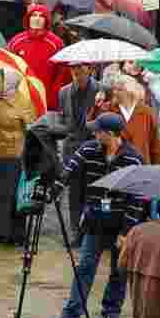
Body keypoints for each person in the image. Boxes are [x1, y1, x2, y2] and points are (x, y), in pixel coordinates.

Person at [51, 113, 146, 318]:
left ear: (110, 134)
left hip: (121, 221)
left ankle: (112, 310)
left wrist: (126, 232)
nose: (94, 133)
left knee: (119, 270)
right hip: (95, 219)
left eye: (98, 131)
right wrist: (57, 185)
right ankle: (72, 313)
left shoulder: (134, 159)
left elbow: (137, 198)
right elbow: (70, 169)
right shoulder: (89, 149)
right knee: (84, 266)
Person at [0, 70, 34, 245]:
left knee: (14, 195)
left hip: (16, 154)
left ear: (11, 82)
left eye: (1, 80)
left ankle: (17, 234)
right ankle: (1, 231)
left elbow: (31, 127)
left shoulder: (23, 102)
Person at [58, 63, 100, 245]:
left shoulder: (100, 89)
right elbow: (63, 119)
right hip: (72, 147)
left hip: (93, 146)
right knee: (74, 193)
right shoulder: (64, 92)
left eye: (81, 68)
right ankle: (76, 232)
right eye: (73, 68)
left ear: (90, 69)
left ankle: (92, 231)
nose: (77, 72)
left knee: (92, 191)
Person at [89, 73, 160, 165]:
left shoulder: (146, 112)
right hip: (115, 165)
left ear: (130, 91)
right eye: (114, 89)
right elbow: (92, 125)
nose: (115, 92)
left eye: (119, 89)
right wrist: (96, 106)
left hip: (141, 165)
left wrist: (157, 166)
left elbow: (155, 144)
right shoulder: (108, 109)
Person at [8, 4, 66, 113]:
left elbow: (60, 74)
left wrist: (52, 100)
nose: (37, 18)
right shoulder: (16, 41)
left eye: (41, 16)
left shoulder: (56, 43)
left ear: (46, 20)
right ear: (28, 18)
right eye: (34, 15)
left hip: (45, 100)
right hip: (20, 97)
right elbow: (8, 68)